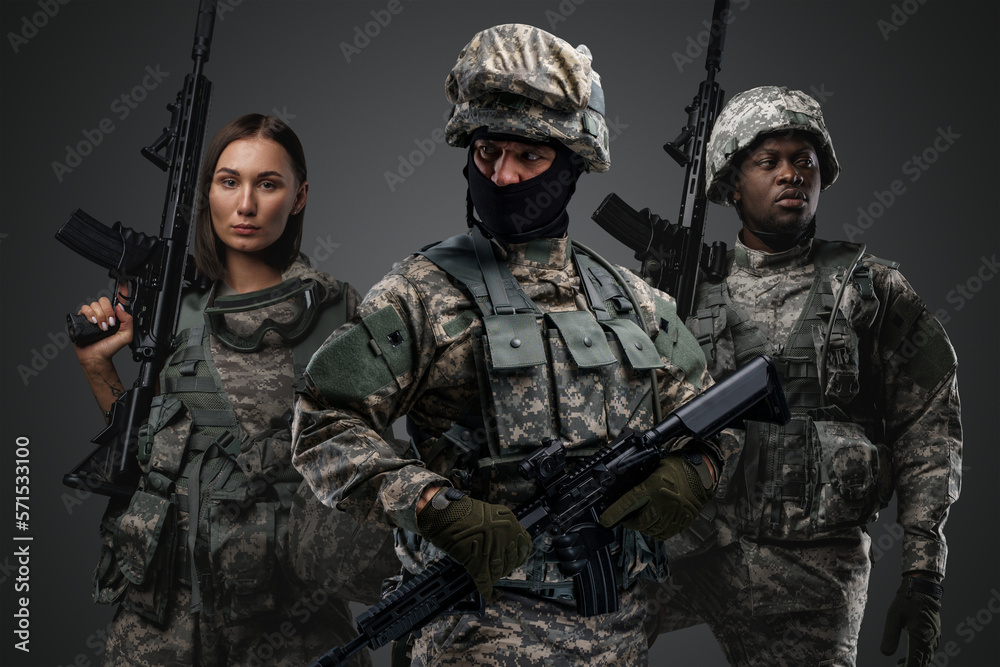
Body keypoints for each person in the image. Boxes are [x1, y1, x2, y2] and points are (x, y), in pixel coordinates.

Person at [292, 24, 732, 666]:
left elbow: (719, 415)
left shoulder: (632, 299)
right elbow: (323, 423)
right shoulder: (421, 293)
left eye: (530, 157)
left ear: (574, 162)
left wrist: (698, 471)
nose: (502, 176)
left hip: (623, 631)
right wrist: (430, 503)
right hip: (476, 631)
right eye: (487, 152)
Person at [642, 86, 963, 667]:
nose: (792, 174)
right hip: (685, 546)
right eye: (769, 162)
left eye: (804, 161)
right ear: (731, 184)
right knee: (558, 623)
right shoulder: (680, 286)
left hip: (810, 571)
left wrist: (923, 573)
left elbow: (929, 430)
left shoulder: (872, 291)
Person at [73, 114, 395, 666]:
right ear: (207, 192)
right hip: (159, 619)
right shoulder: (167, 305)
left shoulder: (336, 311)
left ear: (299, 197)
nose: (245, 205)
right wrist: (98, 365)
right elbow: (148, 455)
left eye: (267, 184)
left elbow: (366, 473)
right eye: (228, 181)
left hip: (288, 624)